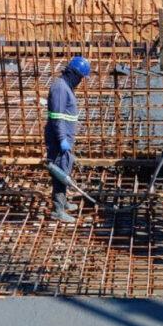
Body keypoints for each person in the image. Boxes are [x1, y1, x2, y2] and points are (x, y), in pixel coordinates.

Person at [45, 56, 91, 223]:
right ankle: (58, 210)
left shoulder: (66, 86)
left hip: (65, 139)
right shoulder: (59, 88)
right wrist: (62, 139)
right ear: (73, 73)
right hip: (59, 140)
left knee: (64, 169)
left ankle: (63, 203)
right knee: (59, 173)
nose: (80, 81)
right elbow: (56, 117)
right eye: (79, 77)